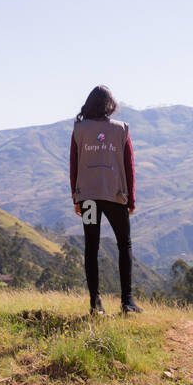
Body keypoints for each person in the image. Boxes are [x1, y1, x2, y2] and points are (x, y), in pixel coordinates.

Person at [69, 84, 142, 315]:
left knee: (91, 246)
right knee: (124, 244)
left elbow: (74, 164)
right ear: (110, 105)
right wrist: (131, 199)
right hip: (115, 196)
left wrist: (76, 197)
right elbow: (129, 166)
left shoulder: (79, 130)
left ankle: (95, 303)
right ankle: (127, 302)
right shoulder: (121, 129)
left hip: (89, 198)